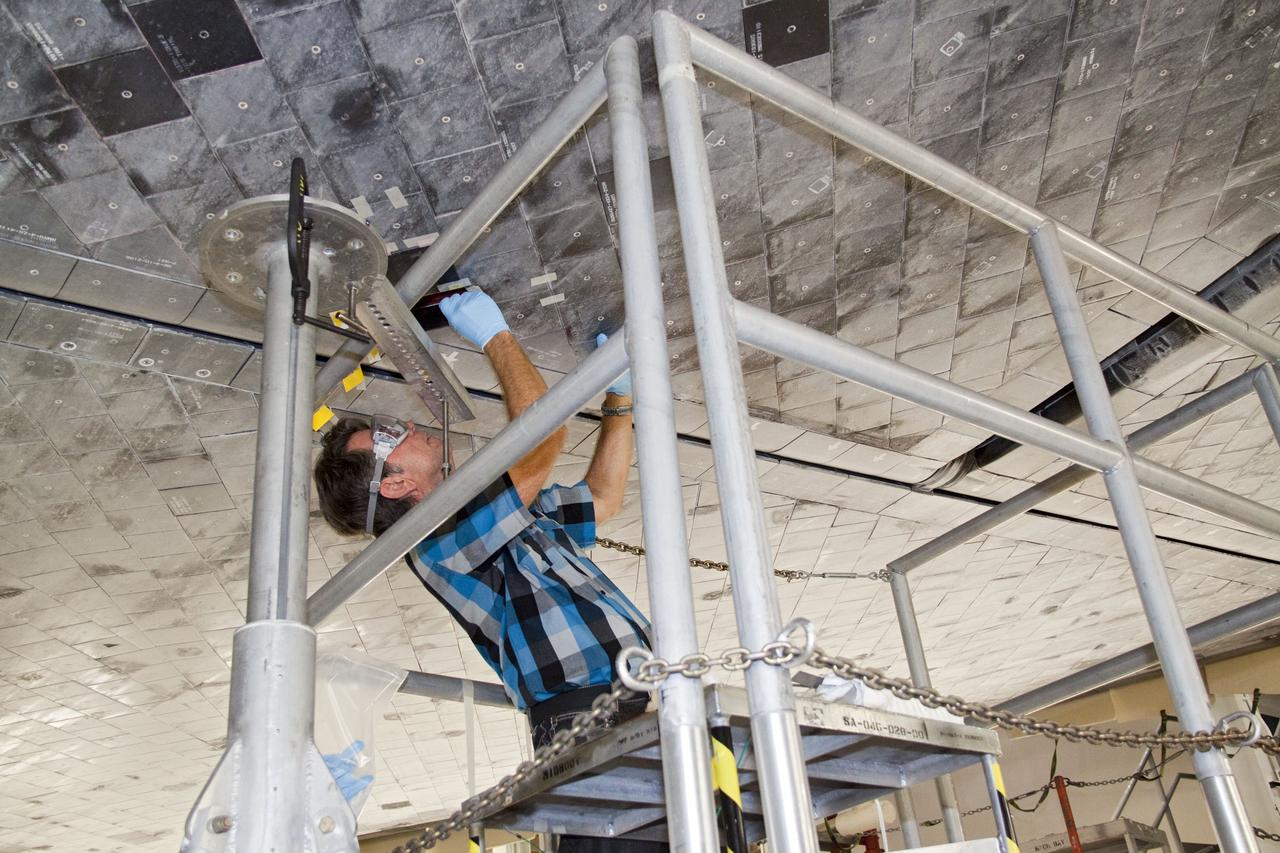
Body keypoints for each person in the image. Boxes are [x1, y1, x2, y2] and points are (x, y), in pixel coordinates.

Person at [315, 291, 664, 851]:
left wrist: (619, 402)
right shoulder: (436, 541)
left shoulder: (499, 516)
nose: (402, 426)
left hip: (626, 704)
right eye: (388, 439)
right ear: (397, 485)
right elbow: (543, 434)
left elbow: (603, 499)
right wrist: (495, 337)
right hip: (589, 717)